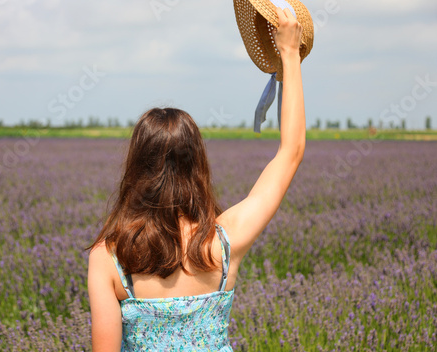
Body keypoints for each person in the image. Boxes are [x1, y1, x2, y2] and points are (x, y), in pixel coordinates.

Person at [86, 7, 305, 352]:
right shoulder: (224, 242)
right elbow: (290, 151)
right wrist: (289, 55)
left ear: (136, 168)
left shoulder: (109, 257)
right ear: (198, 165)